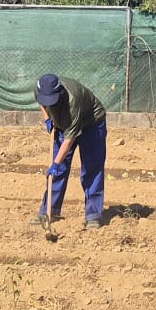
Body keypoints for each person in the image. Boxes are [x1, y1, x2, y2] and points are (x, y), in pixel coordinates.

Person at [33, 72, 107, 228]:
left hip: (91, 124)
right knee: (58, 172)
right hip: (63, 125)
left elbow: (69, 140)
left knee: (91, 168)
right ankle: (48, 211)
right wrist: (47, 119)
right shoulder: (39, 89)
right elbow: (41, 102)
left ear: (59, 93)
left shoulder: (73, 100)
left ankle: (93, 215)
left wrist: (55, 163)